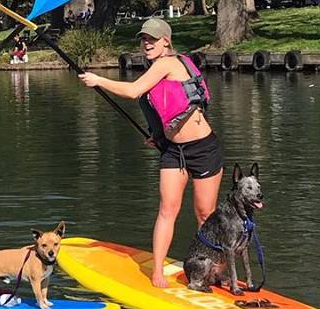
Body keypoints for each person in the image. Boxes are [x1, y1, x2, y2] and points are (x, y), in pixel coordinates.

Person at [78, 17, 223, 289]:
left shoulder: (168, 63)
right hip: (173, 151)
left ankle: (213, 271)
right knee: (167, 209)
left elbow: (133, 91)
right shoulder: (155, 68)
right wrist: (158, 135)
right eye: (144, 39)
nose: (146, 44)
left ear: (165, 41)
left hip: (204, 149)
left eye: (152, 39)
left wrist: (98, 80)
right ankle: (157, 272)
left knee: (205, 214)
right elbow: (163, 107)